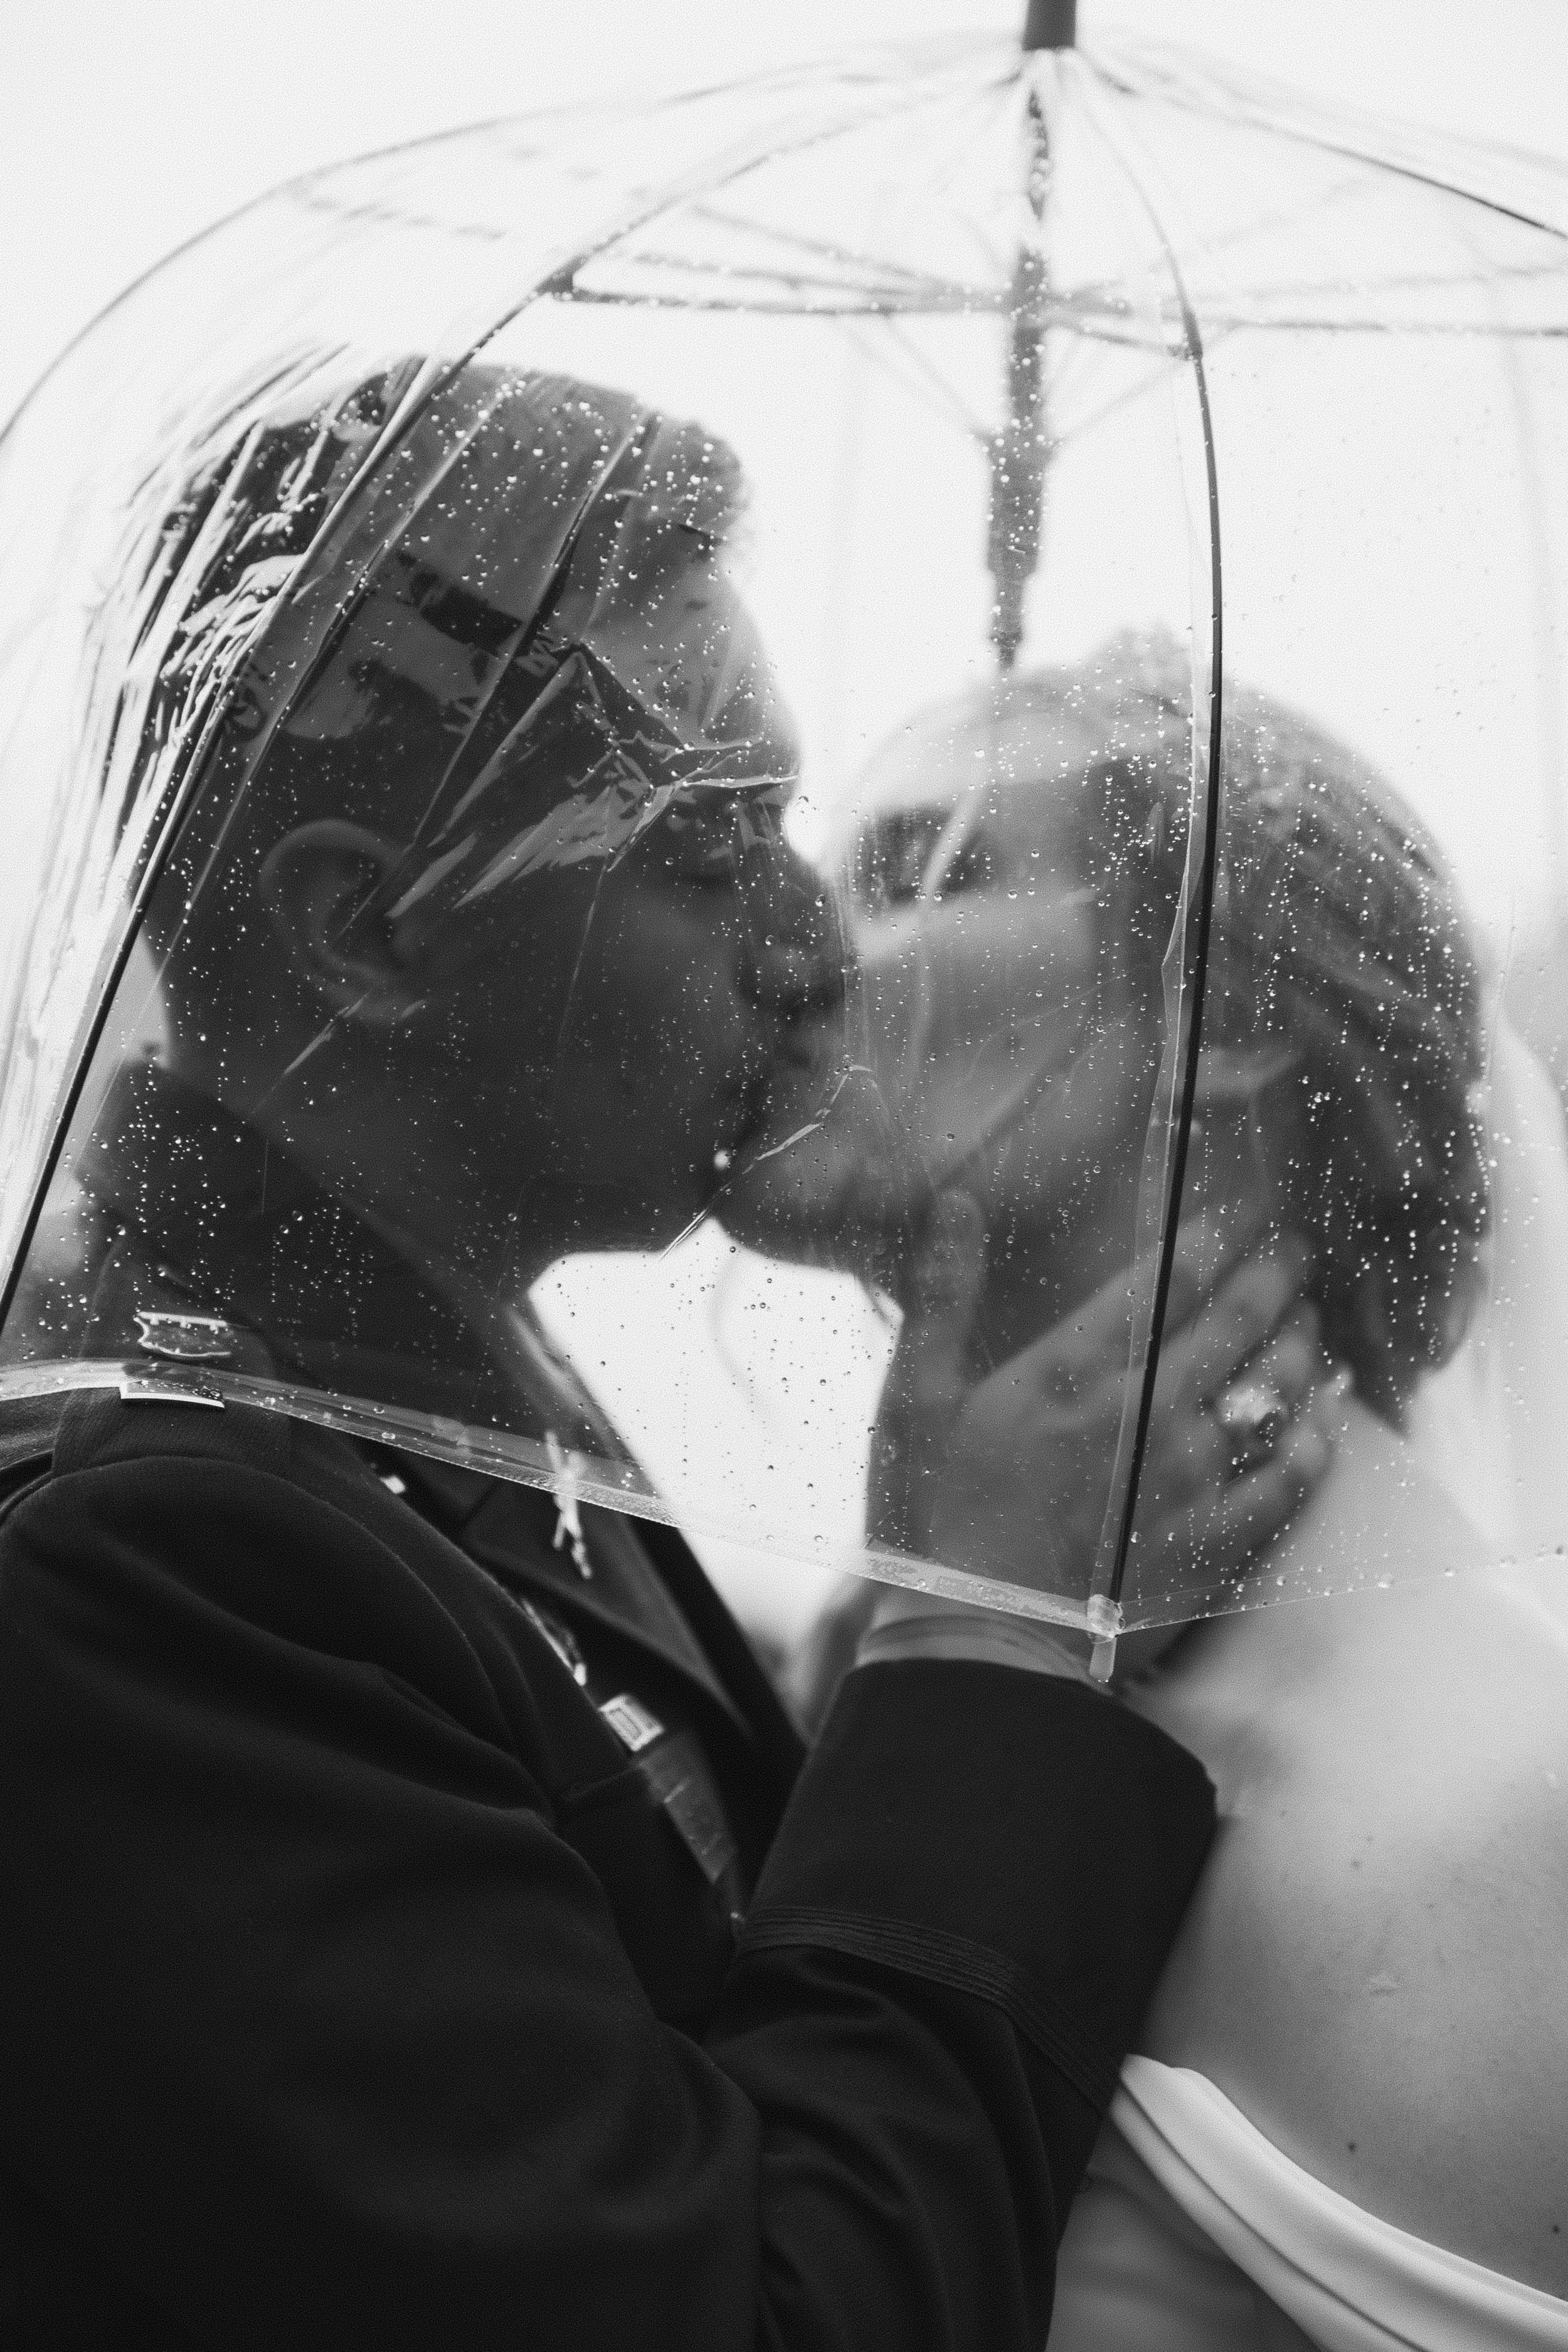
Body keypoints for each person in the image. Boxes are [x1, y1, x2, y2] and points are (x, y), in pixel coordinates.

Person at [0, 368, 1329, 2348]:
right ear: (360, 929)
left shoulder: (397, 1385)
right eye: (709, 851)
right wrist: (983, 1643)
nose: (811, 943)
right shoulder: (139, 1581)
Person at [835, 641, 1568, 2343]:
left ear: (1218, 1015)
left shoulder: (1501, 1832)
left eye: (913, 873)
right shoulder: (944, 1653)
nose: (794, 953)